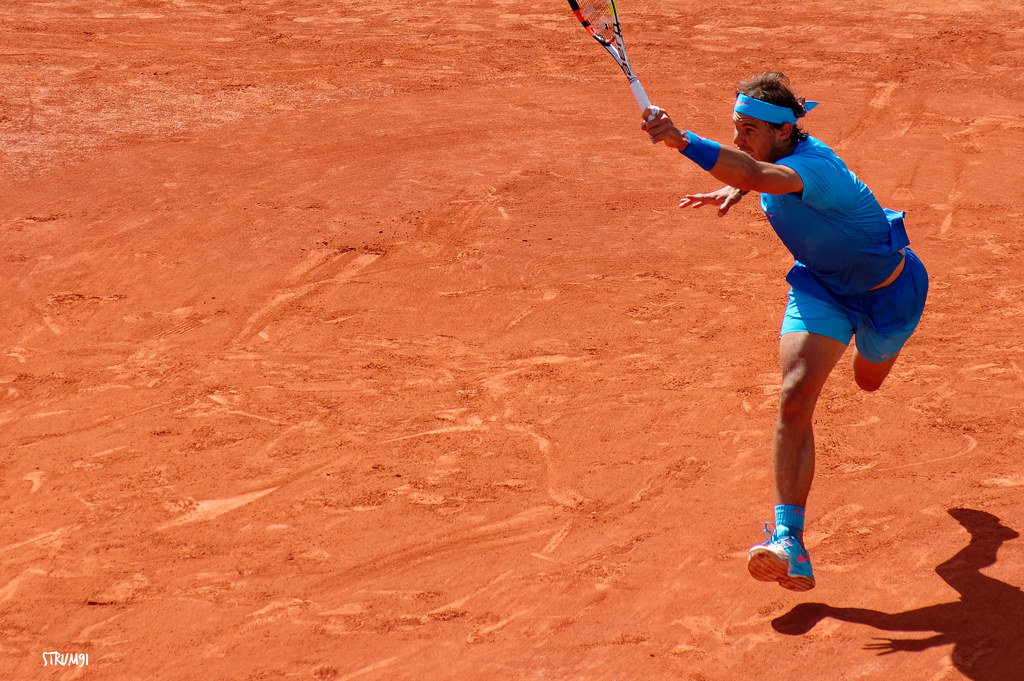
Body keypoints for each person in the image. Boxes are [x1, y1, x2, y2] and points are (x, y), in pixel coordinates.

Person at [642, 72, 928, 592]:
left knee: (869, 381)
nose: (737, 138)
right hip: (820, 289)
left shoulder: (817, 168)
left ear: (782, 133)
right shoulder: (774, 159)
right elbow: (754, 171)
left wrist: (683, 141)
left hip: (891, 295)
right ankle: (789, 541)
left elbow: (762, 173)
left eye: (748, 129)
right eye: (735, 127)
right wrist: (732, 187)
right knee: (795, 397)